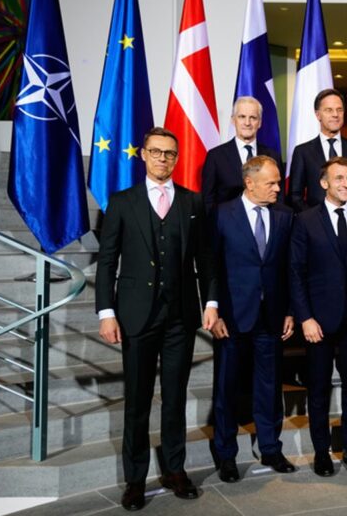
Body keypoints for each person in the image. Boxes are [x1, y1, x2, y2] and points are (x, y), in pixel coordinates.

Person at [95, 127, 217, 511]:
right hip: (135, 315)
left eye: (170, 153)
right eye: (156, 152)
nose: (163, 159)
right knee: (137, 400)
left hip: (179, 316)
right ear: (143, 155)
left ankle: (174, 470)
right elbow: (107, 263)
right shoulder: (121, 202)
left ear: (177, 159)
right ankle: (135, 480)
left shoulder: (191, 202)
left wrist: (210, 302)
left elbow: (205, 261)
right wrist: (106, 312)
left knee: (175, 398)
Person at [290, 157, 347, 477]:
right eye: (339, 178)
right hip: (319, 319)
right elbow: (296, 273)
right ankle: (321, 451)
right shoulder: (306, 219)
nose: (346, 184)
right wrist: (305, 318)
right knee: (318, 387)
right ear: (324, 183)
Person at [209, 155, 296, 483]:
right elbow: (212, 266)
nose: (278, 188)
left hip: (271, 316)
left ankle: (272, 448)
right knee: (227, 388)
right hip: (231, 317)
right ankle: (226, 454)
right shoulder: (221, 214)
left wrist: (290, 310)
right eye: (271, 183)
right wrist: (213, 308)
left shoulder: (286, 216)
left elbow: (290, 268)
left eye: (278, 182)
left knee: (270, 386)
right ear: (249, 183)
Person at [288, 88, 347, 212]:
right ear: (318, 115)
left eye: (339, 110)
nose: (335, 114)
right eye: (329, 110)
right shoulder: (303, 152)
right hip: (316, 227)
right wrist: (312, 220)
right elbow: (294, 196)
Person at [201, 96, 283, 215]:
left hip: (264, 224)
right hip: (227, 226)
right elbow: (208, 199)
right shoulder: (215, 156)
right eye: (242, 117)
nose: (247, 123)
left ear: (259, 123)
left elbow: (279, 198)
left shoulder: (273, 155)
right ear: (233, 120)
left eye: (253, 118)